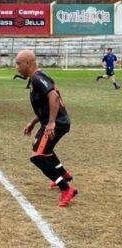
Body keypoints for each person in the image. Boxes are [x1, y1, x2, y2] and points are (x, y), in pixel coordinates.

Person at [15, 49, 78, 207]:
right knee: (46, 151)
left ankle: (66, 188)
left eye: (18, 63)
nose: (16, 67)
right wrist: (34, 122)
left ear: (28, 63)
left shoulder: (37, 78)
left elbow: (54, 97)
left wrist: (51, 122)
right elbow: (46, 104)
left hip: (57, 123)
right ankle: (64, 175)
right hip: (58, 121)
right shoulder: (37, 78)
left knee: (37, 156)